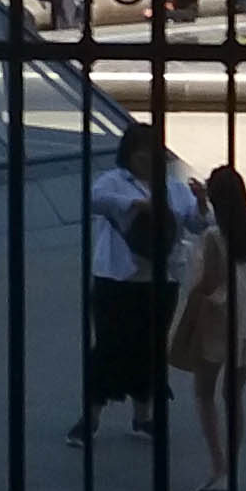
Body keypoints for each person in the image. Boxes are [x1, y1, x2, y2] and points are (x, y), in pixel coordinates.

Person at [65, 120, 206, 442]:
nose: (143, 158)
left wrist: (201, 204)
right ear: (128, 154)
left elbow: (197, 226)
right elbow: (96, 200)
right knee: (109, 345)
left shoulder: (174, 187)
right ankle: (92, 416)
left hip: (161, 278)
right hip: (117, 276)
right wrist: (134, 203)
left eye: (148, 152)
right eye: (138, 152)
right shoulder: (114, 181)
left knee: (151, 347)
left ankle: (142, 416)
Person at [165, 158, 246, 491]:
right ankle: (232, 462)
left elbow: (210, 280)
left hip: (217, 320)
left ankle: (217, 464)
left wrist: (192, 295)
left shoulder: (215, 237)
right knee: (234, 396)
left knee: (204, 393)